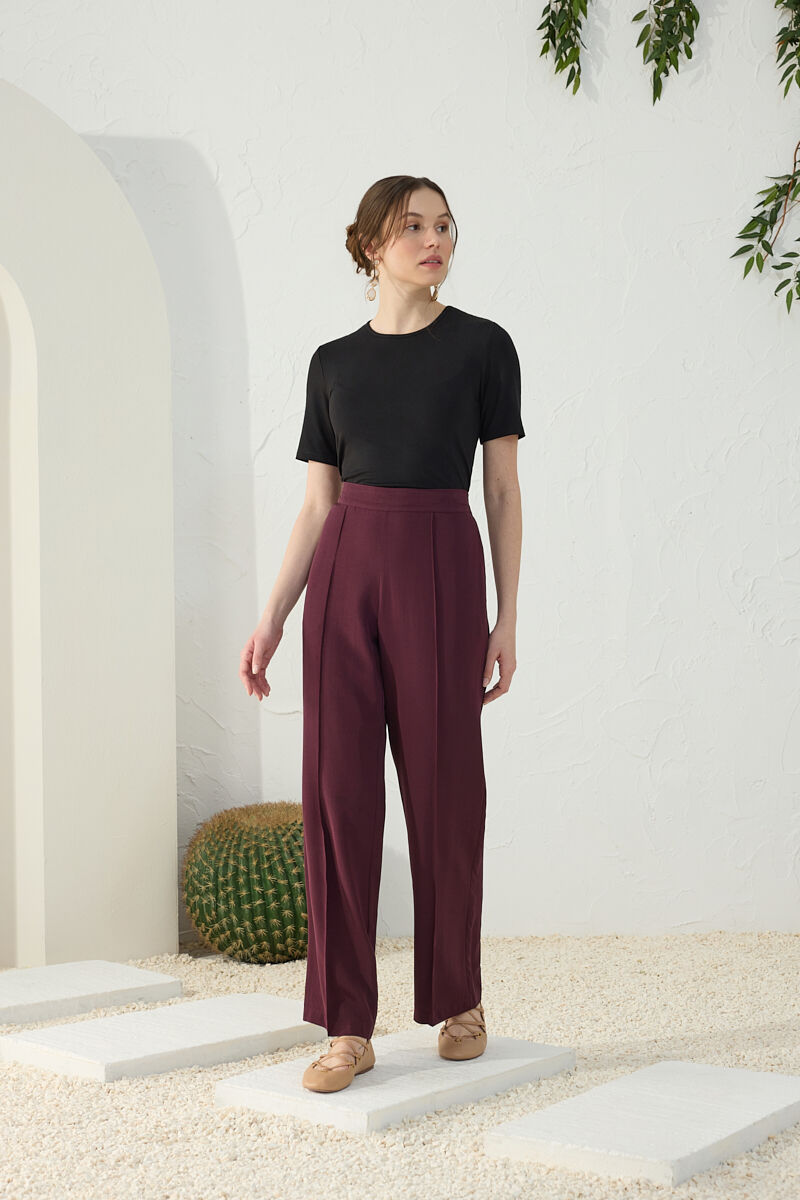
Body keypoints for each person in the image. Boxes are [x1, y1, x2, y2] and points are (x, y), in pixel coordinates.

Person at [239, 175, 524, 1094]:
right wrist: (274, 615)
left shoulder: (483, 347)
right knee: (338, 799)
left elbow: (502, 489)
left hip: (441, 565)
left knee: (447, 790)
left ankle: (459, 1000)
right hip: (345, 576)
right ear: (371, 245)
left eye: (445, 226)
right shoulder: (332, 364)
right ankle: (345, 1027)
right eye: (413, 227)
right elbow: (317, 505)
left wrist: (506, 616)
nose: (435, 240)